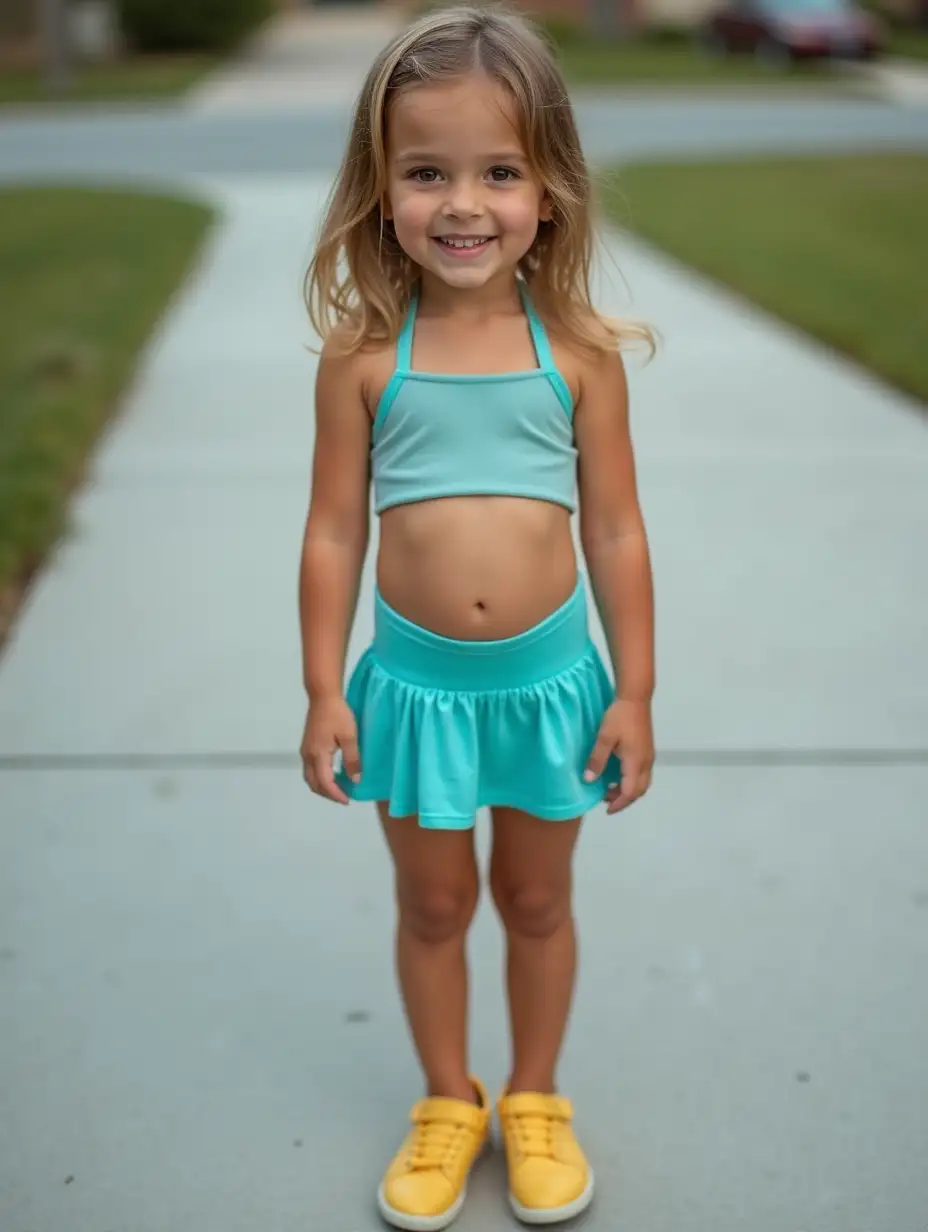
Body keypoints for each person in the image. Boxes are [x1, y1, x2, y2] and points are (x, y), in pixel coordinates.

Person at [298, 5, 655, 1227]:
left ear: (547, 190)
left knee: (538, 900)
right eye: (427, 171)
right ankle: (447, 1099)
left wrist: (636, 689)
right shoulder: (361, 359)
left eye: (499, 171)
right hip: (414, 690)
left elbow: (614, 530)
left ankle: (535, 1096)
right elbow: (334, 532)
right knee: (436, 902)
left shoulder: (578, 356)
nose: (464, 202)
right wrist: (322, 686)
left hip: (552, 683)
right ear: (380, 188)